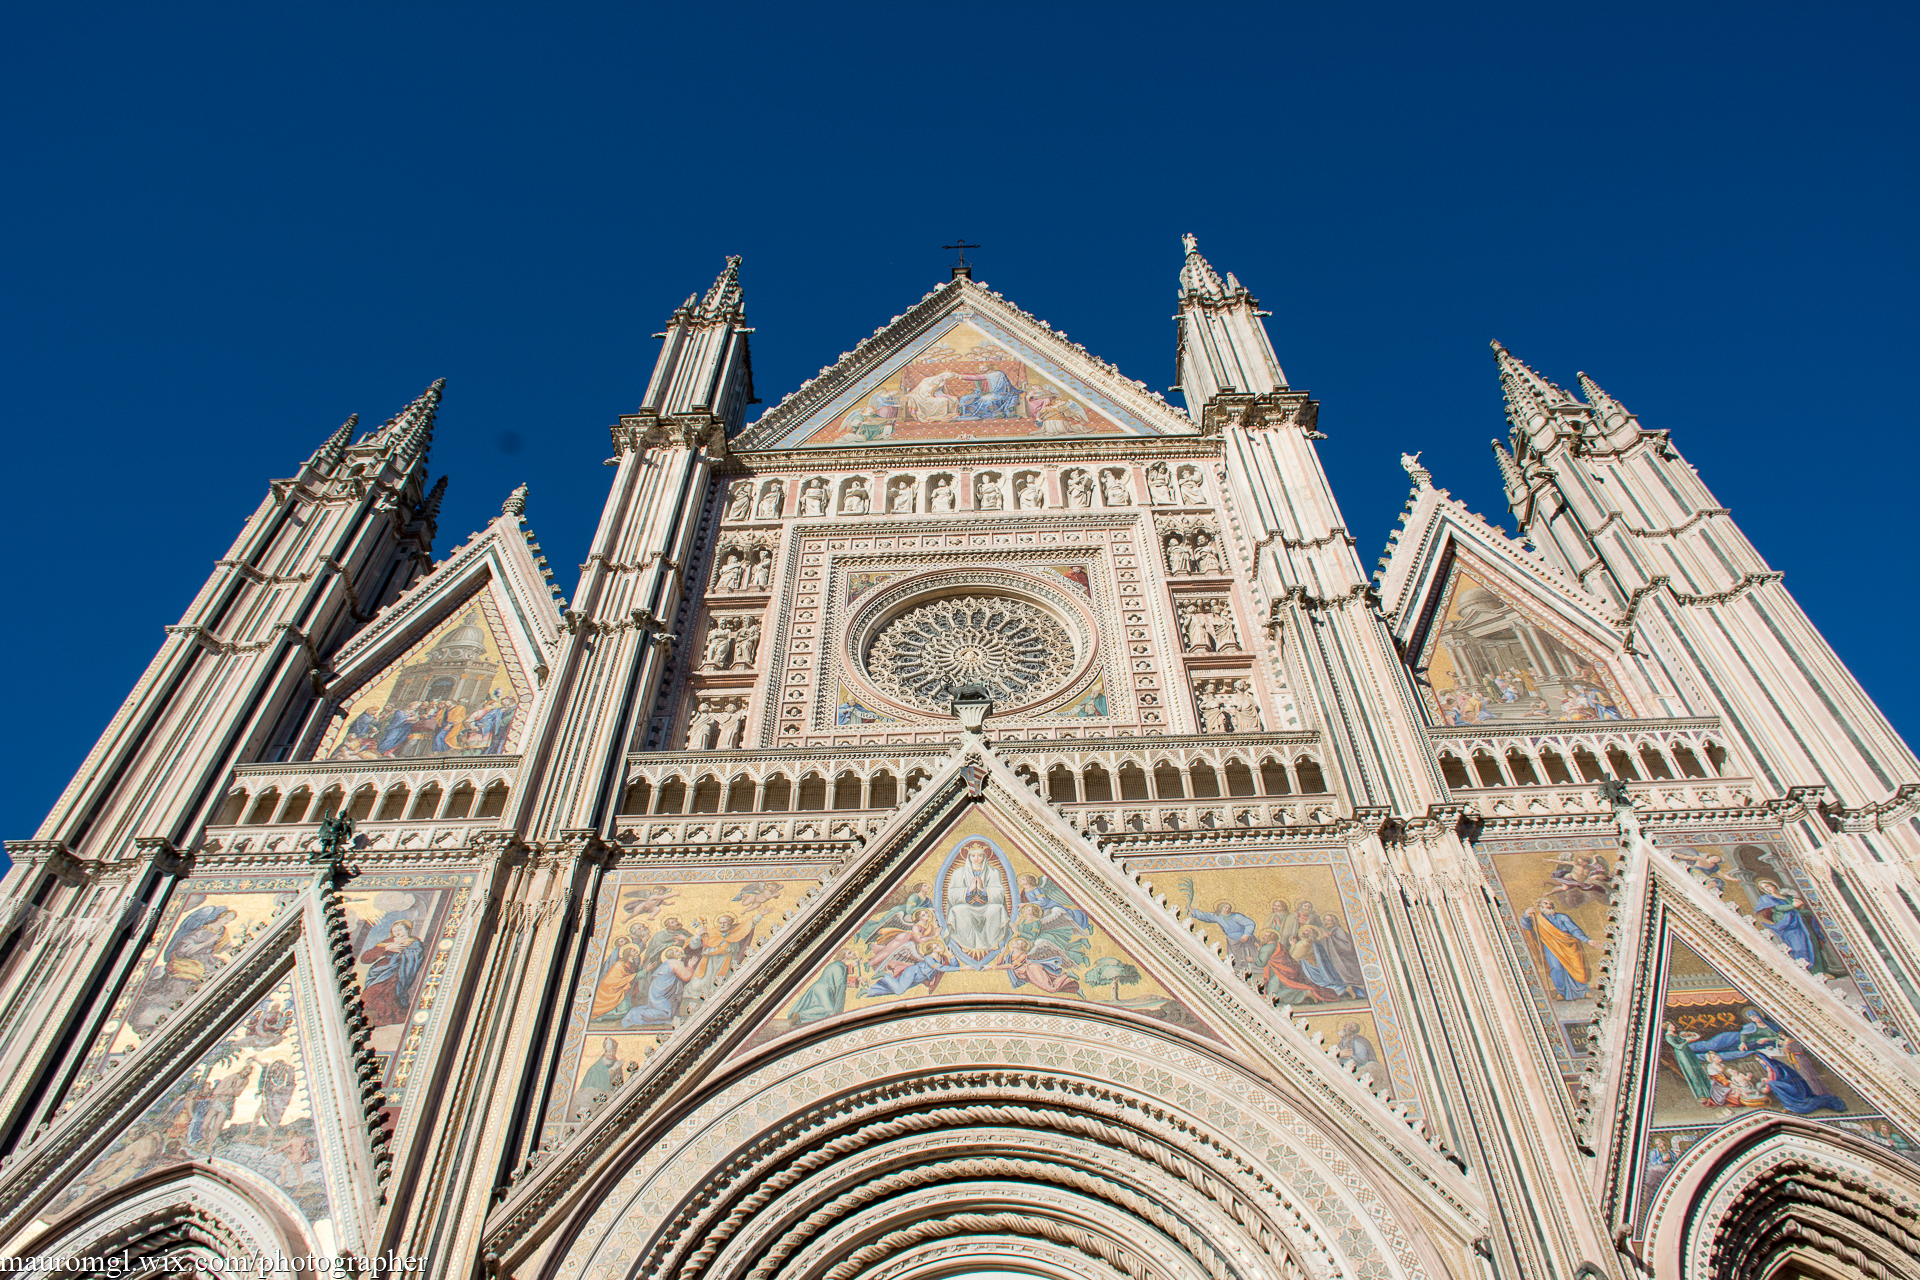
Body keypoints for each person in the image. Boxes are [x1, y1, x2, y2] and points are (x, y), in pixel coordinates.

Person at [945, 841, 1010, 960]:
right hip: (967, 905)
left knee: (996, 909)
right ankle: (966, 943)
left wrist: (982, 889)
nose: (976, 858)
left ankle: (991, 942)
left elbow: (1000, 894)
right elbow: (952, 894)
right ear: (968, 857)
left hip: (987, 905)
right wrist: (969, 890)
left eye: (980, 856)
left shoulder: (994, 872)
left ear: (984, 857)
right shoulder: (958, 873)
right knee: (959, 910)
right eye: (973, 856)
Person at [1521, 897, 1592, 1000]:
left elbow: (1574, 930)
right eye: (1545, 903)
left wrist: (1586, 940)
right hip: (1551, 948)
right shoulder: (1537, 920)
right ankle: (1562, 992)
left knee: (1576, 966)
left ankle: (1583, 991)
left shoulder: (1562, 917)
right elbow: (1527, 927)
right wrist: (1526, 915)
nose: (1549, 905)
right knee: (1556, 968)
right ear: (1540, 907)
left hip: (1568, 946)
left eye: (1550, 903)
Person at [360, 919, 425, 1026]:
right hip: (381, 972)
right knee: (369, 995)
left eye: (399, 929)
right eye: (394, 931)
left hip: (398, 973)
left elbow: (415, 958)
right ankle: (369, 1019)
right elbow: (365, 958)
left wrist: (402, 953)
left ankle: (379, 1018)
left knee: (386, 997)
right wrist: (387, 948)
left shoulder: (414, 942)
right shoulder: (388, 941)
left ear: (407, 929)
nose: (397, 933)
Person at [1752, 878, 1822, 972]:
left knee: (1813, 944)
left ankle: (1819, 971)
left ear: (1774, 885)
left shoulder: (1788, 898)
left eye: (1768, 886)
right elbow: (1779, 908)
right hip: (1788, 926)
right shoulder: (1767, 898)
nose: (1767, 890)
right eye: (1764, 889)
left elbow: (1800, 911)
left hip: (1801, 924)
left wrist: (1803, 908)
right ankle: (1806, 971)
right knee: (1799, 947)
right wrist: (1793, 906)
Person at [624, 945, 702, 1026]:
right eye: (677, 951)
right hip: (663, 992)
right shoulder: (675, 962)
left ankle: (637, 1013)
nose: (680, 952)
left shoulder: (666, 963)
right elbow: (686, 976)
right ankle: (636, 1015)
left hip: (658, 991)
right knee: (666, 1014)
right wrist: (690, 966)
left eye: (680, 951)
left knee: (664, 1011)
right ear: (672, 955)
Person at [990, 937, 1082, 994]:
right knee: (1053, 983)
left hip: (1031, 970)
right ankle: (1076, 990)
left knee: (1051, 989)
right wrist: (1002, 953)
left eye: (1018, 943)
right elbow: (1000, 964)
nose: (1015, 943)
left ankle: (1067, 974)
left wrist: (991, 967)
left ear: (1022, 947)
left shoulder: (1023, 956)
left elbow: (1012, 966)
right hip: (1028, 975)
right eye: (1015, 941)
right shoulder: (1009, 955)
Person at [790, 952, 855, 1026]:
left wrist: (856, 978)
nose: (853, 953)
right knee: (829, 1011)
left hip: (816, 987)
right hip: (825, 989)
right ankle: (800, 1016)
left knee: (819, 1007)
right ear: (843, 956)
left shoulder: (833, 966)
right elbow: (840, 983)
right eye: (849, 953)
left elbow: (839, 979)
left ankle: (799, 1015)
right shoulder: (839, 967)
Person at [592, 945, 645, 1021]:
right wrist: (646, 971)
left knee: (626, 1009)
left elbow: (633, 974)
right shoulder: (619, 964)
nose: (636, 951)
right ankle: (604, 1015)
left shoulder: (631, 962)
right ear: (628, 953)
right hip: (612, 990)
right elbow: (624, 979)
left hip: (622, 988)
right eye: (633, 950)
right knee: (623, 1010)